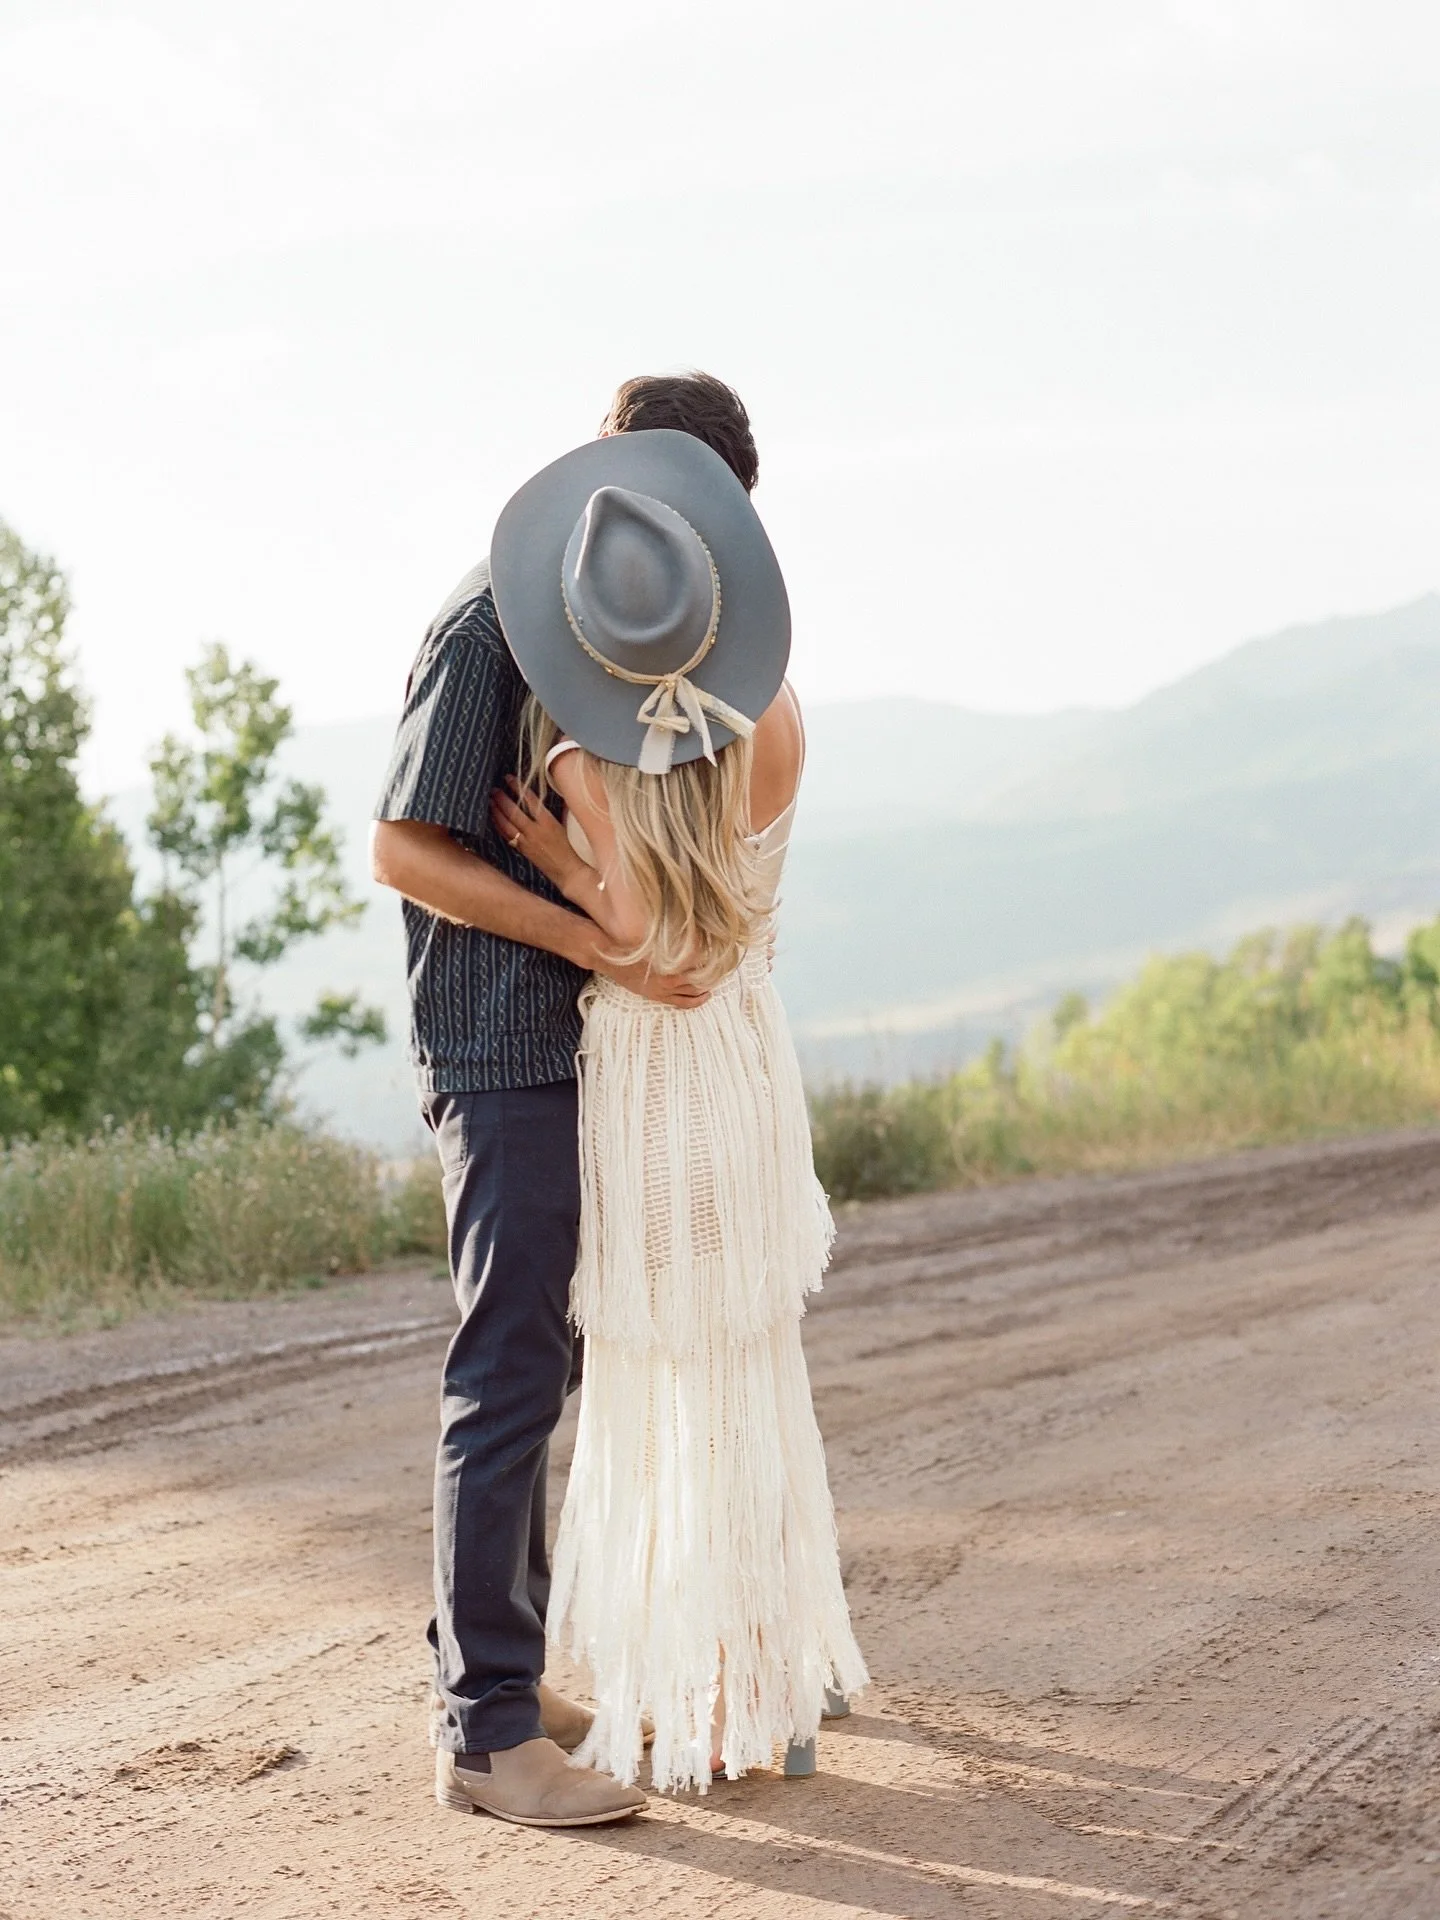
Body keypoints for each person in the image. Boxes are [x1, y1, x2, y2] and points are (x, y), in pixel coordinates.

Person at [371, 374, 761, 1827]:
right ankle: (481, 1737)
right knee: (508, 1377)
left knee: (553, 1364)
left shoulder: (608, 611)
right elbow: (404, 850)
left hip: (575, 1045)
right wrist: (588, 937)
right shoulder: (487, 621)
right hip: (494, 1044)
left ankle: (506, 1680)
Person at [486, 423, 867, 1793]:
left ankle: (699, 1687)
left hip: (656, 1088)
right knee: (753, 1374)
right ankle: (779, 1686)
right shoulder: (773, 719)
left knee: (663, 1386)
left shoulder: (598, 764)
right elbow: (724, 953)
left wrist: (562, 870)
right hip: (756, 1080)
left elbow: (657, 962)